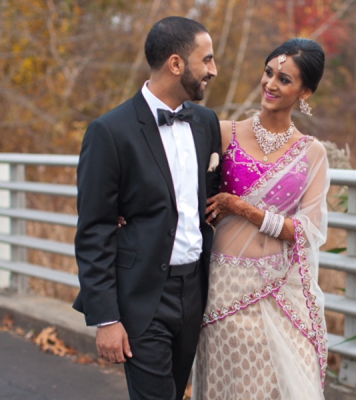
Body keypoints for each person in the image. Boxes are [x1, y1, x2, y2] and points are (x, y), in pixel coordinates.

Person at [73, 16, 221, 400]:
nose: (213, 70)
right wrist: (106, 318)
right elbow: (94, 229)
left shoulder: (205, 122)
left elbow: (210, 200)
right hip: (142, 296)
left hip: (195, 291)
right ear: (176, 64)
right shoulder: (110, 131)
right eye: (206, 60)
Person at [195, 38, 329, 399]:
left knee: (288, 385)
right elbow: (172, 176)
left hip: (282, 289)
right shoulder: (223, 133)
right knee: (236, 387)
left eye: (284, 80)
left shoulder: (311, 153)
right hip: (226, 286)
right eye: (268, 73)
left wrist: (241, 207)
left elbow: (304, 232)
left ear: (306, 92)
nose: (270, 84)